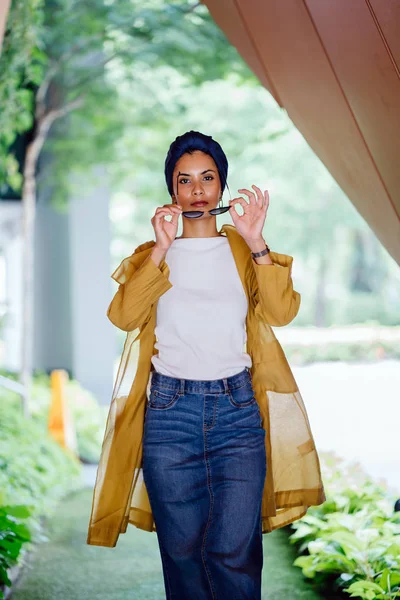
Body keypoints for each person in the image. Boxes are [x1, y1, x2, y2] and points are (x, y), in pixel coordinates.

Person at [143, 130, 272, 599]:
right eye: (184, 180)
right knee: (182, 554)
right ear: (171, 191)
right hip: (169, 414)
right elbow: (123, 315)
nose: (197, 190)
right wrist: (160, 248)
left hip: (236, 412)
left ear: (222, 186)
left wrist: (256, 240)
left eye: (208, 178)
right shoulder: (150, 258)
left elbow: (281, 310)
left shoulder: (244, 251)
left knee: (234, 551)